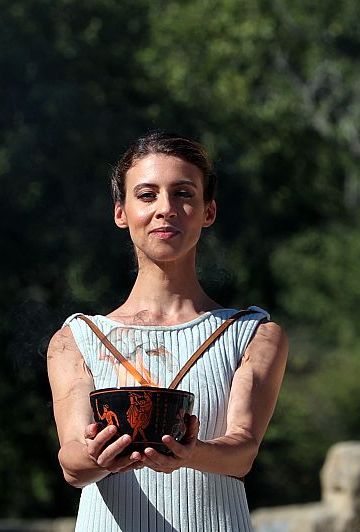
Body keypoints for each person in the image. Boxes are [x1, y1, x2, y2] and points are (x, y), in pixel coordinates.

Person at [47, 131, 289, 531]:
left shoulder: (253, 334)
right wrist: (98, 456)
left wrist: (191, 453)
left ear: (208, 211)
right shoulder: (76, 339)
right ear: (121, 213)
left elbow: (242, 451)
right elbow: (72, 464)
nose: (165, 209)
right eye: (147, 195)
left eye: (183, 194)